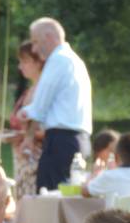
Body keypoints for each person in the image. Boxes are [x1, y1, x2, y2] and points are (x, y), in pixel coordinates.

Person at [19, 18, 92, 191]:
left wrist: (22, 113)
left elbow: (39, 107)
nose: (34, 49)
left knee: (49, 197)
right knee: (68, 195)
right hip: (77, 140)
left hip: (61, 142)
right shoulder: (74, 60)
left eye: (35, 42)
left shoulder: (58, 60)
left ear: (49, 36)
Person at [7, 41, 45, 199]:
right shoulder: (31, 90)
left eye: (25, 61)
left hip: (34, 159)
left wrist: (24, 136)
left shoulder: (44, 91)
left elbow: (46, 128)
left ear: (39, 62)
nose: (20, 66)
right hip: (22, 159)